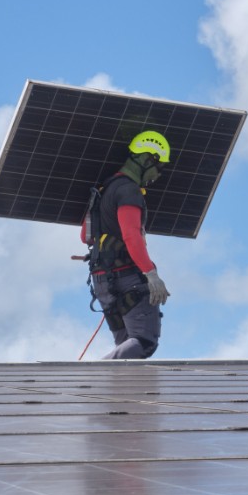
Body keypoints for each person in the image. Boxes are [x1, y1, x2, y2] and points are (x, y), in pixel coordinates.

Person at [82, 131, 173, 359]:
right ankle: (92, 375)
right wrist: (151, 274)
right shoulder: (128, 190)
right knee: (143, 342)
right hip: (127, 280)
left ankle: (118, 393)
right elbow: (131, 235)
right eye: (158, 167)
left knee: (127, 349)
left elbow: (86, 236)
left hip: (102, 282)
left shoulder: (103, 190)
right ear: (147, 159)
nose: (157, 174)